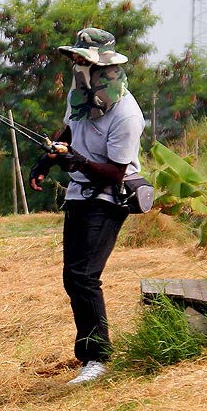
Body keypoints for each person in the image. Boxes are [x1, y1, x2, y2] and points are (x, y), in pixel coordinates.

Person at [28, 27, 145, 385]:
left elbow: (115, 172)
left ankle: (97, 358)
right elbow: (68, 130)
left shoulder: (126, 114)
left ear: (104, 67)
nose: (77, 65)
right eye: (75, 59)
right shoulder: (79, 94)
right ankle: (90, 353)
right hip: (79, 194)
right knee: (72, 276)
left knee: (84, 276)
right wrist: (46, 161)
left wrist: (78, 162)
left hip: (110, 197)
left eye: (84, 60)